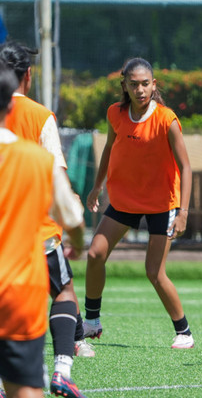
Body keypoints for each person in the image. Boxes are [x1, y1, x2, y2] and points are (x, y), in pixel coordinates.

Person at [0, 42, 94, 384]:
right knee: (64, 293)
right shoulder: (40, 116)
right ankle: (63, 369)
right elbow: (58, 178)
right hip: (39, 235)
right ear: (28, 75)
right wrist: (75, 229)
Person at [84, 57, 194, 349]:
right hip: (123, 201)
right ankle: (91, 322)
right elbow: (109, 148)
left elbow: (186, 167)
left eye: (145, 83)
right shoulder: (115, 114)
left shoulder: (166, 119)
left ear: (153, 85)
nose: (140, 89)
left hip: (161, 204)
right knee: (95, 254)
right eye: (134, 84)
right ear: (125, 85)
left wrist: (182, 212)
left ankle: (184, 332)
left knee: (154, 272)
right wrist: (97, 186)